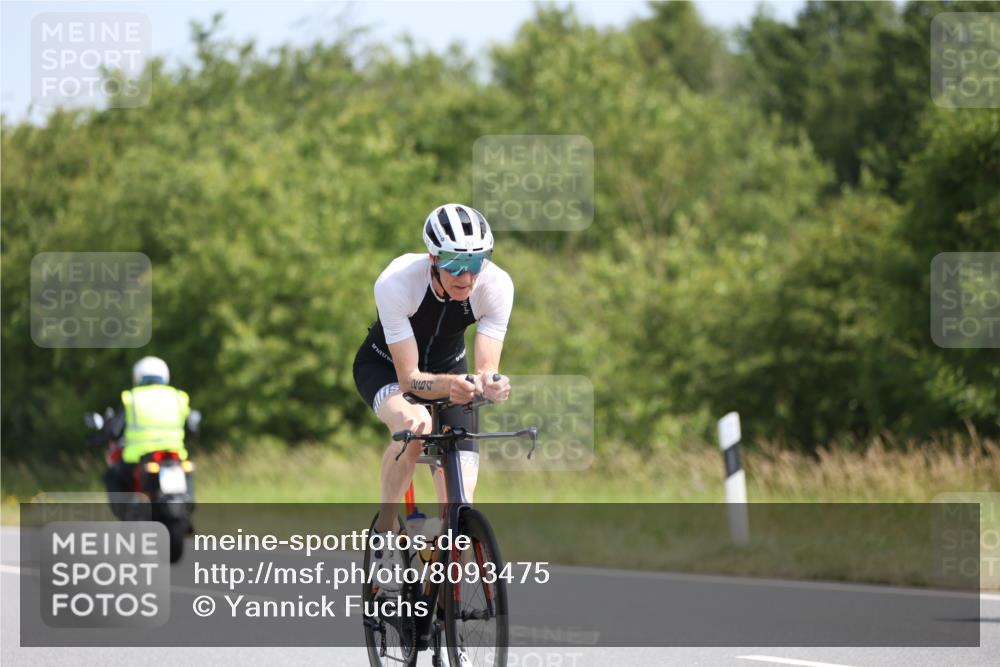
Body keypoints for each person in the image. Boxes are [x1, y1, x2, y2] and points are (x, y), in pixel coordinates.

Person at [352, 203, 514, 590]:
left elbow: (486, 365)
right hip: (385, 369)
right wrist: (451, 386)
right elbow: (409, 380)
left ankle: (439, 603)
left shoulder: (496, 285)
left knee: (460, 502)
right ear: (433, 258)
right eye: (456, 263)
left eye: (477, 261)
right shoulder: (396, 283)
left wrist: (491, 382)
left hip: (450, 371)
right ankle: (386, 538)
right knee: (416, 423)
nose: (467, 275)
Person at [99, 356, 199, 512]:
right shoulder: (178, 397)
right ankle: (189, 504)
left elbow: (114, 431)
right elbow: (192, 429)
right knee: (188, 471)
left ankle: (125, 511)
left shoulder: (131, 398)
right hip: (175, 455)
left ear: (138, 376)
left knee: (112, 476)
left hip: (139, 457)